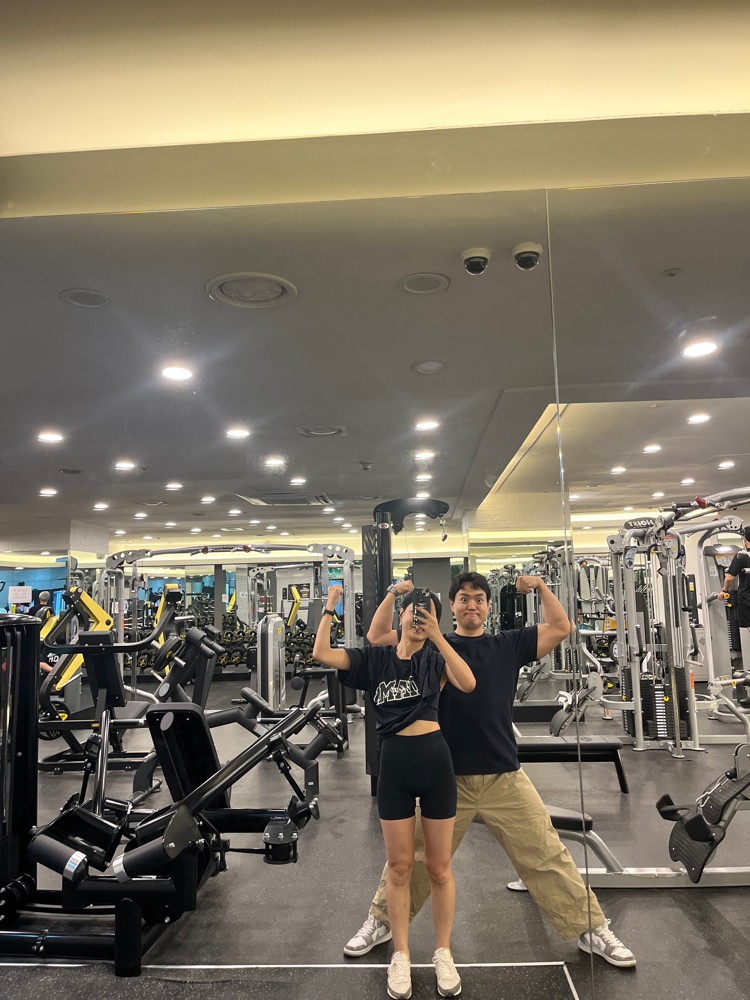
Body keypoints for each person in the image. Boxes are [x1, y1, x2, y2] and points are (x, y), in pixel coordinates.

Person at [344, 571, 636, 971]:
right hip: (447, 777)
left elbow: (560, 627)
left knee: (545, 852)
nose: (472, 605)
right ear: (452, 606)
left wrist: (540, 587)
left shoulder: (507, 644)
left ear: (487, 606)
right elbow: (379, 637)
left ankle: (591, 927)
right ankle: (381, 922)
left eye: (479, 598)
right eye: (463, 598)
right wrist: (396, 596)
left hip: (503, 774)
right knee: (417, 858)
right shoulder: (429, 644)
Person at [313, 583, 476, 1000]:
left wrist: (437, 634)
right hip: (395, 771)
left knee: (439, 868)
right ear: (400, 616)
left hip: (436, 766)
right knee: (400, 867)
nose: (419, 618)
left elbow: (468, 683)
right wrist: (331, 607)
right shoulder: (376, 659)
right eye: (413, 611)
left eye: (428, 613)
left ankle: (443, 953)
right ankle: (400, 954)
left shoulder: (436, 659)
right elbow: (323, 653)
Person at [722, 526, 750, 632]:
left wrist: (724, 590)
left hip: (746, 598)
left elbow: (729, 578)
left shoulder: (741, 556)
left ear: (744, 538)